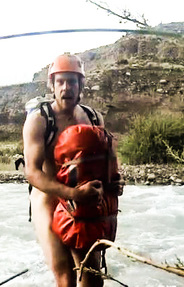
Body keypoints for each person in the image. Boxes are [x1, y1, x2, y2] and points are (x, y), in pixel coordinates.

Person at [23, 53, 121, 287]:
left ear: (81, 86)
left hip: (85, 200)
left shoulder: (93, 118)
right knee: (66, 277)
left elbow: (106, 159)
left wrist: (114, 182)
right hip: (48, 197)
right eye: (61, 82)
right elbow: (33, 173)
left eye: (72, 82)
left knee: (92, 276)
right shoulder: (39, 120)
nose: (66, 88)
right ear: (52, 85)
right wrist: (72, 195)